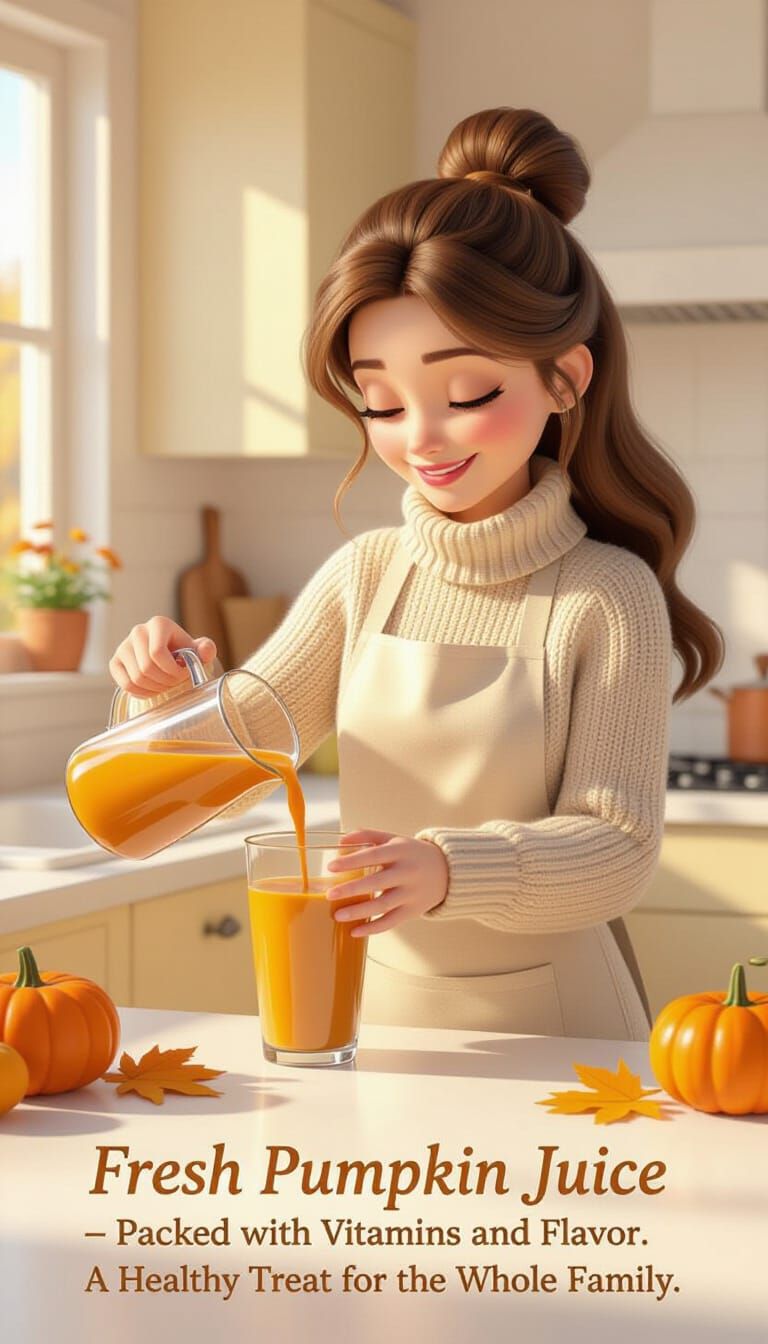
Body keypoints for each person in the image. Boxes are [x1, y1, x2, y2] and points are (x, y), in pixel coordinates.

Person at [110, 107, 724, 1042]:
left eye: (467, 392)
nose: (422, 439)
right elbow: (240, 759)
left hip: (561, 1033)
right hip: (377, 1015)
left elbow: (619, 847)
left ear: (565, 378)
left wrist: (446, 870)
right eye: (382, 403)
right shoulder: (365, 577)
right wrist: (163, 697)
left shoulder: (606, 597)